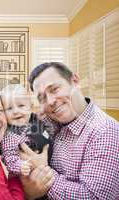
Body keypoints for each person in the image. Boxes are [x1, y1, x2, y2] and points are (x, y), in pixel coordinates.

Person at [21, 62, 119, 199]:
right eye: (42, 98)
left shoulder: (104, 132)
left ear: (75, 81)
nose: (50, 101)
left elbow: (93, 197)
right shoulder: (52, 121)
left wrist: (43, 173)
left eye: (54, 89)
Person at [0, 84, 53, 177]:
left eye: (21, 106)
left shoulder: (37, 120)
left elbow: (51, 130)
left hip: (51, 165)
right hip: (27, 175)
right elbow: (9, 158)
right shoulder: (10, 136)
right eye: (9, 108)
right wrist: (20, 166)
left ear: (30, 107)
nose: (16, 111)